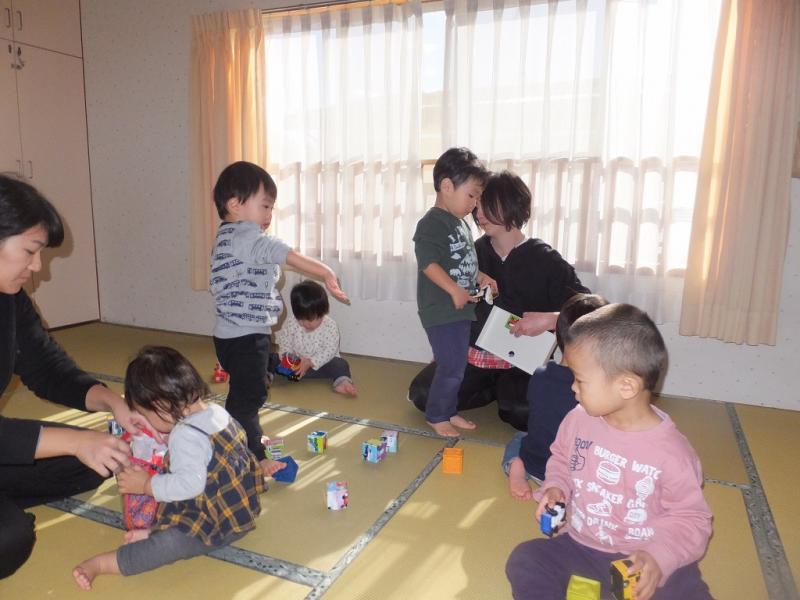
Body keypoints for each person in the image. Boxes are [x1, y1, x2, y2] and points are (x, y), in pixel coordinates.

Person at [506, 304, 713, 600]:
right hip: (581, 546)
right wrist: (555, 488)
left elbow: (691, 518)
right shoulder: (578, 419)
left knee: (686, 589)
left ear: (626, 386)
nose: (573, 388)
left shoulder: (672, 453)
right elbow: (562, 460)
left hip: (641, 557)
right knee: (526, 559)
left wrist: (658, 558)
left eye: (580, 380)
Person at [0, 175, 149, 579]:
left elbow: (47, 368)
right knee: (10, 540)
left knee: (96, 460)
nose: (36, 267)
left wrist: (113, 403)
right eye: (30, 251)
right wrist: (74, 440)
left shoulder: (10, 300)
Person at [409, 170, 589, 431]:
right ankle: (492, 391)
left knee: (523, 413)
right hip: (475, 359)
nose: (479, 213)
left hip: (522, 362)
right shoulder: (471, 252)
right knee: (423, 394)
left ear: (513, 205)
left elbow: (592, 310)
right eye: (476, 204)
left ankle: (505, 395)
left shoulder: (545, 259)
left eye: (488, 205)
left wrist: (552, 320)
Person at [72, 346, 264, 589]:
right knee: (169, 492)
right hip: (238, 510)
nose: (146, 420)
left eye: (144, 413)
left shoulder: (185, 435)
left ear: (160, 405)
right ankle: (156, 529)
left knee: (165, 546)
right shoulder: (217, 412)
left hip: (216, 525)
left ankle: (103, 563)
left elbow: (190, 485)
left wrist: (145, 484)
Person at [209, 161, 348, 476]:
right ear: (235, 204)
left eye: (271, 207)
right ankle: (253, 455)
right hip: (247, 336)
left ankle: (245, 434)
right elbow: (289, 257)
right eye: (265, 206)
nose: (269, 214)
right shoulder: (249, 237)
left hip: (227, 335)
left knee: (244, 391)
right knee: (250, 396)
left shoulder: (226, 237)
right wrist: (326, 272)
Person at [413, 147, 495, 437]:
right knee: (450, 365)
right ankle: (437, 416)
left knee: (457, 365)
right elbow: (428, 263)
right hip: (441, 309)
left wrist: (481, 277)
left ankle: (448, 410)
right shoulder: (432, 223)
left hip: (459, 308)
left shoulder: (460, 224)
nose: (474, 204)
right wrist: (454, 290)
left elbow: (462, 262)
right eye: (471, 195)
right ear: (447, 186)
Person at [502, 293, 607, 500]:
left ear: (557, 334)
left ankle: (516, 464)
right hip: (570, 475)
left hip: (536, 464)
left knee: (519, 438)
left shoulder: (540, 374)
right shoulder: (598, 389)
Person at [274, 279, 357, 396]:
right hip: (297, 366)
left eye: (311, 320)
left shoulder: (330, 326)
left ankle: (342, 382)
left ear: (322, 312)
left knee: (340, 364)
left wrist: (310, 362)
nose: (306, 324)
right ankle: (267, 376)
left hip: (320, 366)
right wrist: (289, 358)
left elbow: (329, 350)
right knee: (272, 359)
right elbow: (284, 341)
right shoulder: (292, 322)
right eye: (301, 319)